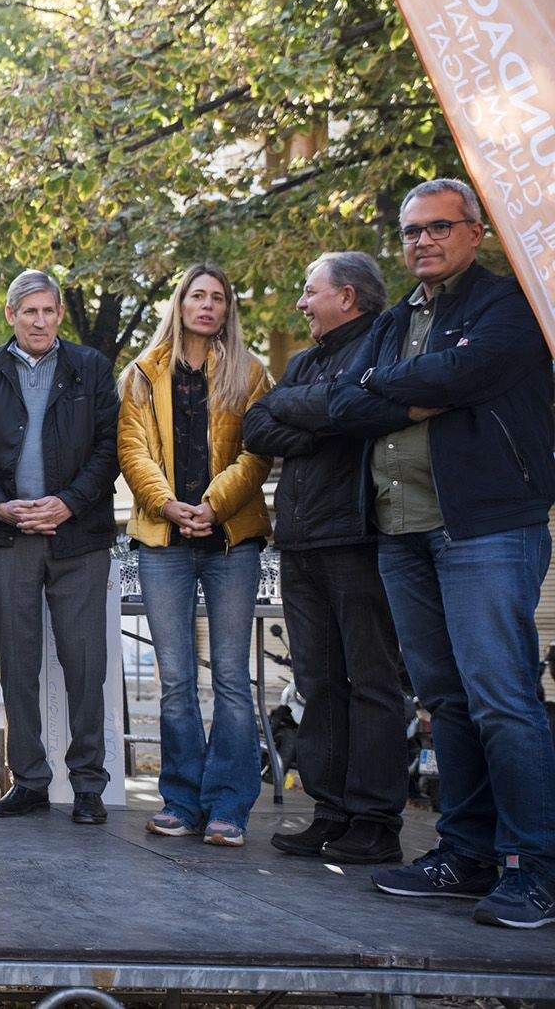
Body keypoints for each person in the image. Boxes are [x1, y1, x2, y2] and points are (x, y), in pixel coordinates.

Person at [329, 178, 555, 929]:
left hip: (485, 528)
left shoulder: (508, 301)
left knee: (503, 700)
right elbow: (343, 400)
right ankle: (466, 854)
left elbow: (469, 372)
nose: (422, 241)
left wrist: (402, 385)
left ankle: (535, 868)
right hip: (402, 530)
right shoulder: (397, 319)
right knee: (446, 703)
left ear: (475, 232)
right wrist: (403, 387)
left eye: (437, 228)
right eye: (410, 232)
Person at [242, 252, 408, 864]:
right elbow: (256, 424)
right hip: (301, 539)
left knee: (372, 682)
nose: (302, 304)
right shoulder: (306, 362)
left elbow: (366, 409)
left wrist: (313, 411)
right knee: (317, 684)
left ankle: (375, 820)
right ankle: (330, 811)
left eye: (310, 292)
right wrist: (321, 422)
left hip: (358, 538)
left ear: (349, 296)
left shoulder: (385, 342)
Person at [118, 263, 271, 848]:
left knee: (232, 678)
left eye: (219, 299)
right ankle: (181, 801)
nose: (208, 306)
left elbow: (258, 453)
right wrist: (168, 504)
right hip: (163, 543)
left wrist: (210, 504)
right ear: (179, 304)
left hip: (232, 539)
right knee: (177, 678)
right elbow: (132, 450)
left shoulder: (251, 373)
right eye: (197, 296)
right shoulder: (140, 374)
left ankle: (229, 806)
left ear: (228, 310)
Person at [0, 270, 119, 824]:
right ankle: (28, 779)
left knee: (85, 663)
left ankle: (88, 784)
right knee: (17, 664)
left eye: (48, 310)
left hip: (77, 535)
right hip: (9, 534)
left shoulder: (91, 368)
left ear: (58, 314)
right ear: (10, 315)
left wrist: (69, 502)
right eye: (28, 311)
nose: (39, 320)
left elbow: (110, 447)